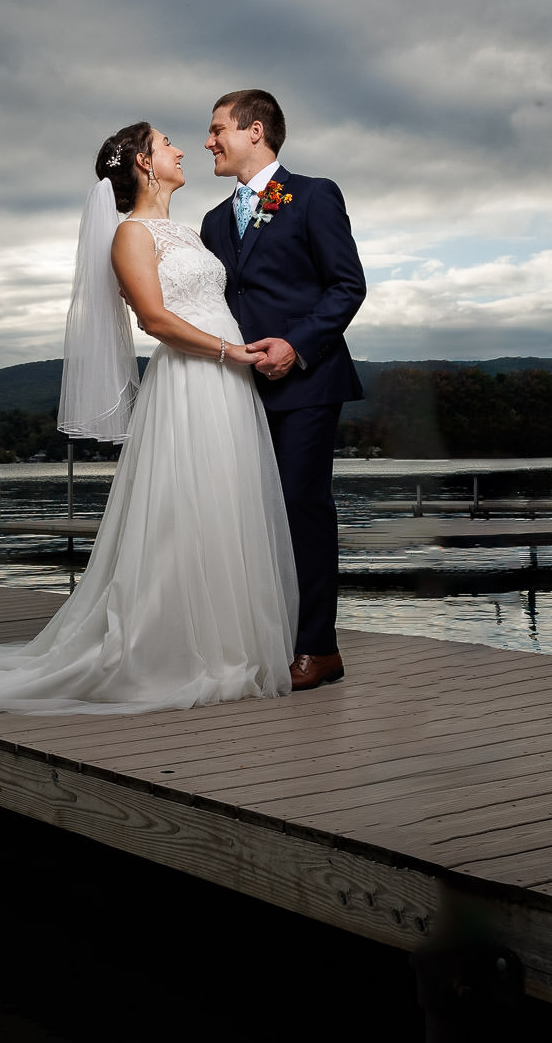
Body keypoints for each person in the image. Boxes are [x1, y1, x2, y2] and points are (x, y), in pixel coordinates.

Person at [0, 122, 296, 714]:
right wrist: (227, 351)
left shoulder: (187, 231)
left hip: (228, 384)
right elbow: (155, 321)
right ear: (143, 161)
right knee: (181, 508)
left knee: (225, 500)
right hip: (192, 379)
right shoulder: (131, 234)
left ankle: (229, 639)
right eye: (167, 144)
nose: (182, 149)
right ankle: (176, 646)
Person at [199, 90, 366, 691]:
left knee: (302, 508)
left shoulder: (315, 195)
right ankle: (263, 638)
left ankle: (318, 649)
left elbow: (347, 287)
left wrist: (295, 345)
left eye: (218, 129)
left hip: (307, 381)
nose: (210, 141)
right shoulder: (214, 222)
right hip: (238, 389)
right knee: (248, 515)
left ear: (255, 131)